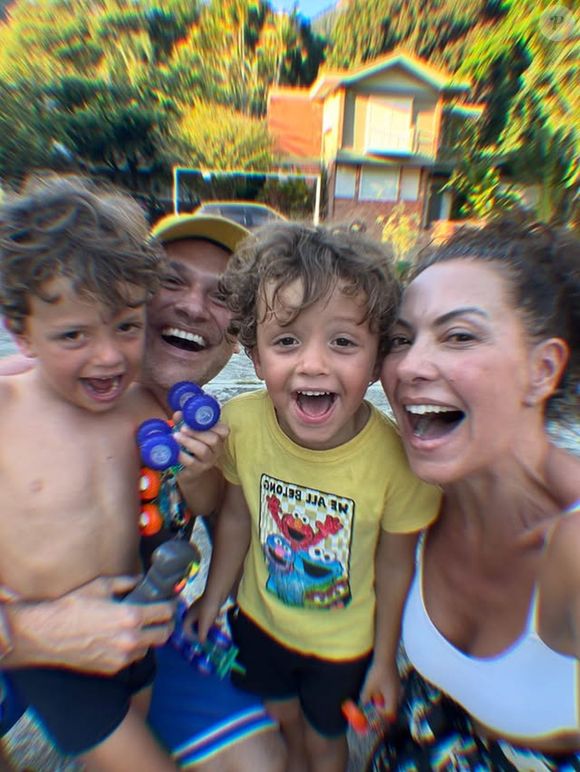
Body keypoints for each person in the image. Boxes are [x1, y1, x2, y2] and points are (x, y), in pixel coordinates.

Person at [0, 209, 284, 771]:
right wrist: (22, 633)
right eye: (175, 280)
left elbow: (209, 513)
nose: (195, 306)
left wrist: (202, 473)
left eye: (222, 294)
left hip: (135, 629)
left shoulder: (166, 413)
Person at [196, 221, 441, 772]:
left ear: (378, 362)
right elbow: (235, 518)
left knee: (326, 741)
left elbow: (396, 567)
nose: (312, 363)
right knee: (278, 725)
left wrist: (384, 662)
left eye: (344, 342)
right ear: (255, 358)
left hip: (343, 647)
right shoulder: (242, 425)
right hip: (258, 624)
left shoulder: (398, 462)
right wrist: (214, 598)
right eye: (286, 340)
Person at [370, 218, 580, 769]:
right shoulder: (412, 488)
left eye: (459, 336)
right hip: (417, 735)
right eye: (400, 339)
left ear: (543, 369)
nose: (410, 366)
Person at [0, 175, 191, 770]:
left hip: (133, 625)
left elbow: (196, 491)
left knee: (125, 736)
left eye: (127, 326)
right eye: (74, 335)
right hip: (47, 652)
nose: (108, 356)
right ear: (20, 331)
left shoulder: (144, 407)